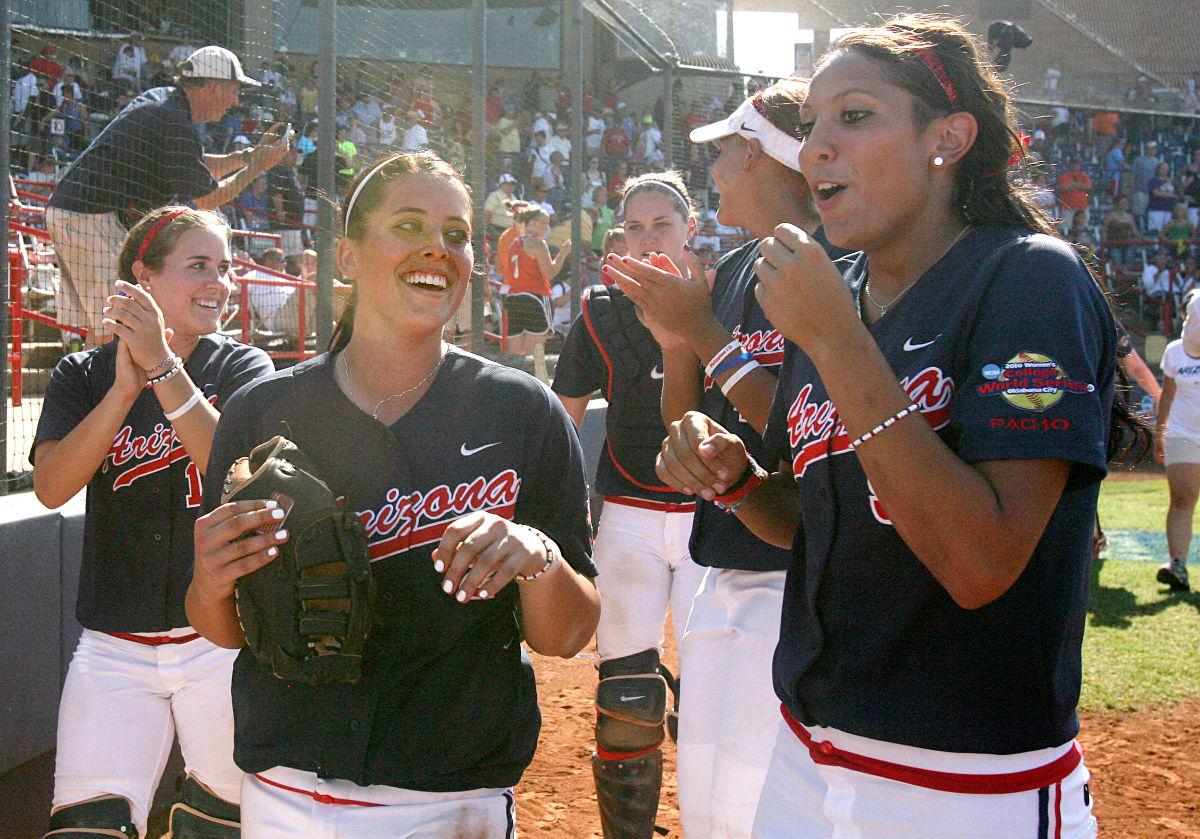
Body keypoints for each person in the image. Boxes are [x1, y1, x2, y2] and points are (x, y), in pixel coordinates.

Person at [656, 17, 1143, 837]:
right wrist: (738, 481)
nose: (816, 147)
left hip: (965, 785)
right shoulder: (831, 287)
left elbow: (978, 561)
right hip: (805, 757)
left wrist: (836, 340)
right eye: (810, 124)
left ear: (947, 139)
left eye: (854, 116)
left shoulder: (1027, 278)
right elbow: (817, 523)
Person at [185, 150, 600, 834]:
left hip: (447, 801)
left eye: (457, 235)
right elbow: (223, 623)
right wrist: (210, 579)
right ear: (347, 256)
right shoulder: (261, 411)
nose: (438, 247)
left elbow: (570, 633)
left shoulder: (524, 412)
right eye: (409, 226)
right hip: (284, 790)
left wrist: (537, 557)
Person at [604, 79, 820, 838]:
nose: (716, 171)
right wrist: (677, 346)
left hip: (797, 571)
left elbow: (810, 431)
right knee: (703, 810)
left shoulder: (838, 264)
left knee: (753, 812)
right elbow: (686, 417)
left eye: (726, 153)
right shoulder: (730, 273)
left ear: (760, 157)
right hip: (721, 558)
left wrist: (705, 335)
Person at [31, 207, 276, 838]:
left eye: (224, 268)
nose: (219, 283)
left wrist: (164, 370)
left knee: (224, 827)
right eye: (198, 266)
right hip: (113, 646)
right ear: (143, 277)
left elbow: (243, 472)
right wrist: (122, 389)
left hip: (221, 641)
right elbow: (52, 487)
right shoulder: (83, 374)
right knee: (85, 830)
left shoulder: (243, 369)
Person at [553, 172, 708, 837]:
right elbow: (564, 418)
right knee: (626, 696)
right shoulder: (598, 309)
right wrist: (561, 517)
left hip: (715, 517)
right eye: (635, 228)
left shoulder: (726, 295)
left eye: (662, 225)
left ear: (690, 229)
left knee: (714, 695)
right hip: (628, 512)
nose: (649, 240)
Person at [47, 46, 290, 347]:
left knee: (108, 323)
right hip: (90, 216)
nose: (236, 101)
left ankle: (96, 377)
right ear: (213, 87)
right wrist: (257, 167)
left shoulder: (168, 105)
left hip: (81, 212)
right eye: (234, 90)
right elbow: (206, 200)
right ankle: (105, 378)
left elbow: (196, 167)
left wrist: (248, 156)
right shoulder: (174, 120)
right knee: (118, 322)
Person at [1154, 290, 1200, 592]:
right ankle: (1178, 566)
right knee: (1182, 499)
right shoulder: (1174, 351)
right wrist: (1159, 433)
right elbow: (1167, 396)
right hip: (1183, 435)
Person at [502, 206, 571, 355]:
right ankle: (532, 371)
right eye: (544, 222)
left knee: (515, 348)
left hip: (514, 298)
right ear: (532, 222)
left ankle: (513, 371)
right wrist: (564, 252)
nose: (547, 227)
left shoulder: (515, 243)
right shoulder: (538, 243)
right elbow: (550, 273)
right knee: (535, 350)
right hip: (535, 297)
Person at [1147, 161, 1177, 233]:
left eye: (1166, 168)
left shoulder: (1171, 181)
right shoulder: (1153, 181)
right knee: (1156, 231)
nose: (1164, 170)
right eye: (1162, 168)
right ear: (1157, 170)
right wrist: (1171, 195)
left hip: (1169, 210)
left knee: (1167, 232)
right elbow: (1156, 193)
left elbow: (1176, 194)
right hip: (1156, 210)